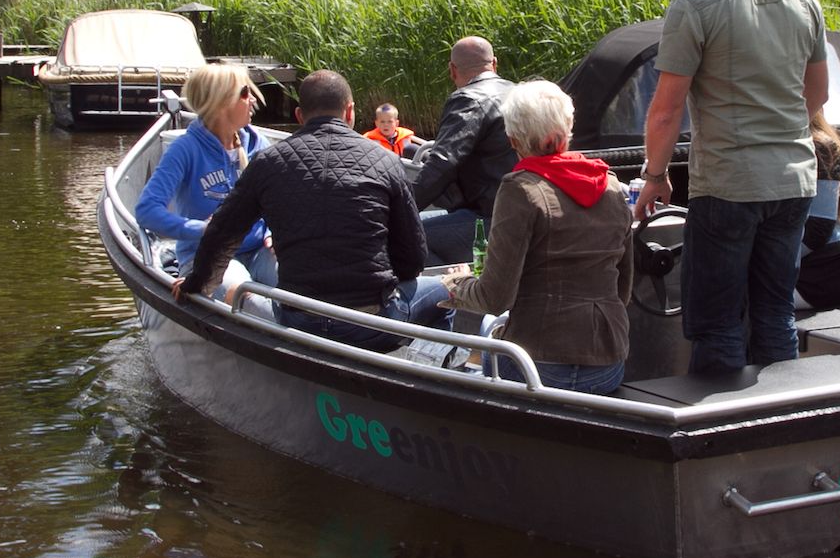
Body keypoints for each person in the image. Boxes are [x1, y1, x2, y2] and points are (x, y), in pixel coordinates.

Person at [635, 0, 828, 373]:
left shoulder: (695, 4)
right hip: (793, 180)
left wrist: (655, 178)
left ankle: (718, 434)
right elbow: (818, 95)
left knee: (717, 321)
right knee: (775, 313)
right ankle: (782, 421)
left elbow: (664, 111)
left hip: (727, 185)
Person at [187, 69, 452, 351]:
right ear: (350, 112)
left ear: (299, 116)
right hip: (374, 324)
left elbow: (221, 234)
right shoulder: (386, 162)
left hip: (299, 321)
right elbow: (413, 258)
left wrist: (196, 284)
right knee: (445, 292)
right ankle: (426, 372)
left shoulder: (267, 163)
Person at [444, 80, 635, 395]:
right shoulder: (613, 186)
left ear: (513, 139)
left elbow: (496, 298)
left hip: (538, 366)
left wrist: (458, 286)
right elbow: (623, 291)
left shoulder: (520, 189)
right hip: (607, 367)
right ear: (569, 127)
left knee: (477, 351)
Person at [135, 62, 276, 293]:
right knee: (245, 297)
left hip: (259, 251)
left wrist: (273, 233)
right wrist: (202, 230)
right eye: (245, 92)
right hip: (205, 256)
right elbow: (147, 210)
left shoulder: (258, 144)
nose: (253, 100)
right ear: (221, 101)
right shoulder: (185, 150)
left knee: (300, 284)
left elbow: (277, 200)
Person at [411, 36, 515, 265]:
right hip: (520, 213)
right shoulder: (519, 93)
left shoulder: (467, 98)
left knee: (404, 238)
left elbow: (442, 164)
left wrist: (399, 210)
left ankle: (456, 297)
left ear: (452, 70)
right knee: (425, 219)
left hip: (489, 220)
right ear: (495, 64)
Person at [795, 113, 840, 311]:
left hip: (814, 275)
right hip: (798, 267)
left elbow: (819, 228)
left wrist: (770, 264)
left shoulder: (820, 146)